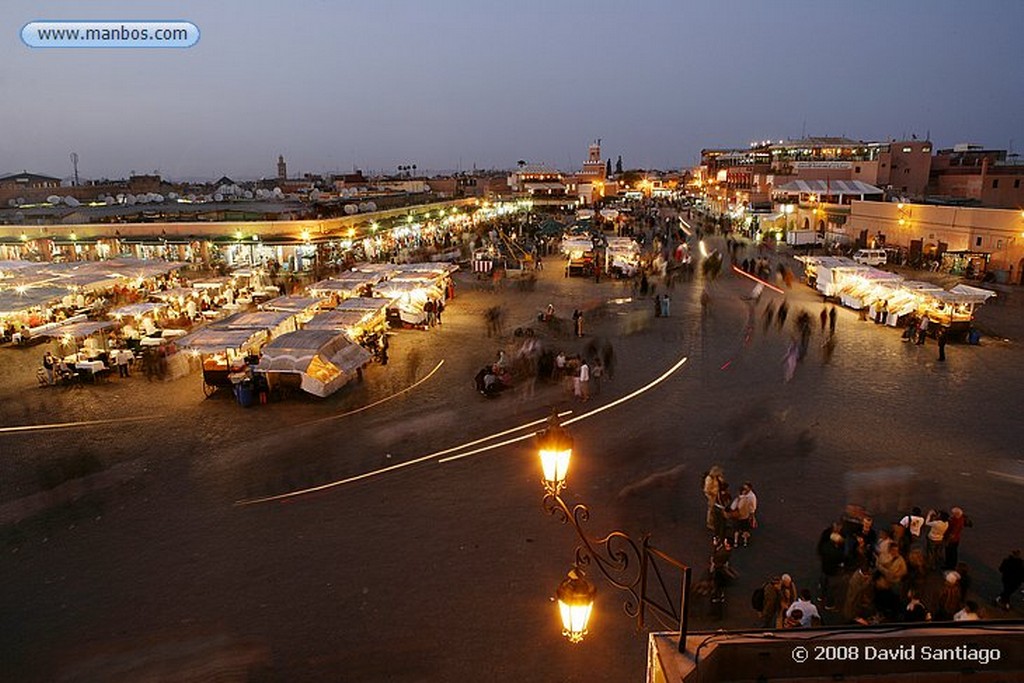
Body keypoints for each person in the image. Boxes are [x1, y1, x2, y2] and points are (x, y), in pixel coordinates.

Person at [730, 482, 758, 547]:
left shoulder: (738, 499)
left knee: (736, 530)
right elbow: (752, 508)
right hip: (746, 517)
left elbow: (732, 507)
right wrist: (752, 516)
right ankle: (745, 542)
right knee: (745, 530)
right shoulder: (749, 499)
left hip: (738, 517)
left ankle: (735, 542)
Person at [703, 466, 725, 532]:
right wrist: (713, 494)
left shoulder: (715, 477)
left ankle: (716, 521)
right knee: (711, 510)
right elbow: (707, 490)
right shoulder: (709, 479)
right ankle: (710, 523)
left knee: (717, 509)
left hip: (717, 495)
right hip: (712, 497)